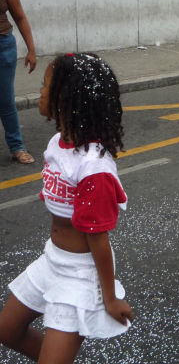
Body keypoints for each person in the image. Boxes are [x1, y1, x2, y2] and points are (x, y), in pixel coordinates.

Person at [0, 53, 134, 362]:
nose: (40, 91)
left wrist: (110, 297)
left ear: (66, 99)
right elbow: (57, 187)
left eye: (46, 85)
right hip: (53, 260)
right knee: (7, 330)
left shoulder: (94, 169)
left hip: (80, 275)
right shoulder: (58, 142)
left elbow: (98, 238)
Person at [0, 0, 36, 164]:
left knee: (5, 101)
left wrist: (31, 50)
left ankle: (17, 148)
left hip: (3, 46)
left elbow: (20, 17)